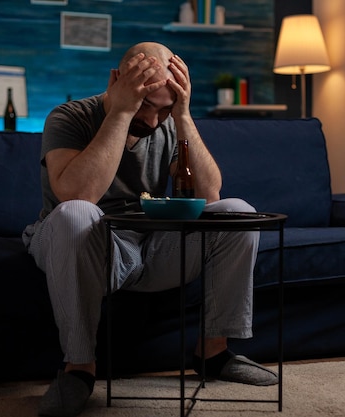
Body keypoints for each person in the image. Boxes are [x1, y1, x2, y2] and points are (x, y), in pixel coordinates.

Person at [22, 41, 278, 417]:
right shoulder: (70, 117)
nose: (154, 121)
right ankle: (79, 370)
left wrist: (184, 116)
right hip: (82, 244)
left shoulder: (170, 124)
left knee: (236, 211)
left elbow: (210, 195)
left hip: (149, 248)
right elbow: (77, 194)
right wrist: (123, 112)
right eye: (146, 105)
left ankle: (213, 353)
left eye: (164, 108)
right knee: (75, 212)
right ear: (116, 80)